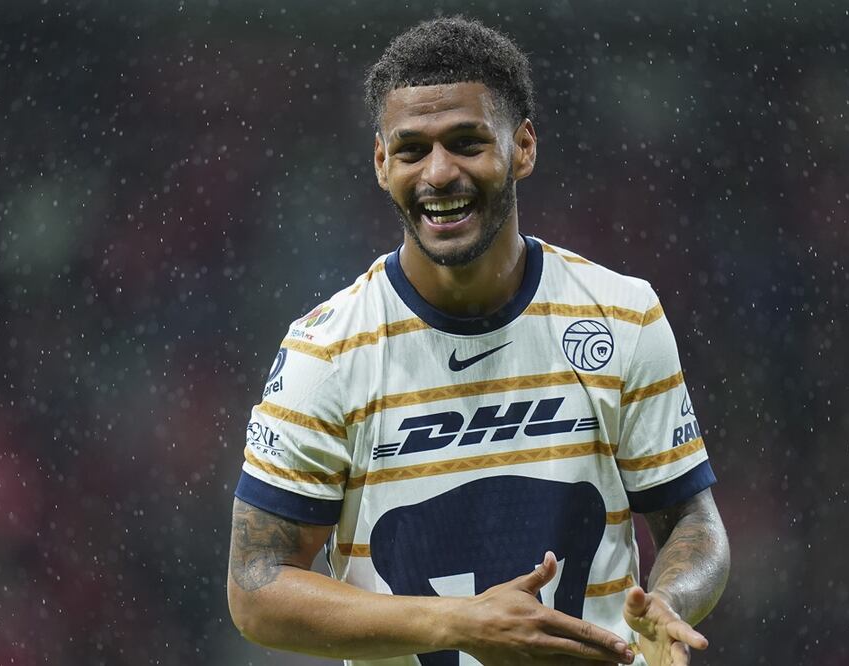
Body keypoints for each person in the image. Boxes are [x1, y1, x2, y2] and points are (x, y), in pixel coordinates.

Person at [227, 16, 729, 666]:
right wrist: (462, 622)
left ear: (522, 148)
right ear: (381, 163)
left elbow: (692, 522)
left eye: (466, 142)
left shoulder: (620, 316)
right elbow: (254, 589)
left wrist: (671, 601)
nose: (438, 173)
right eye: (411, 150)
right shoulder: (325, 353)